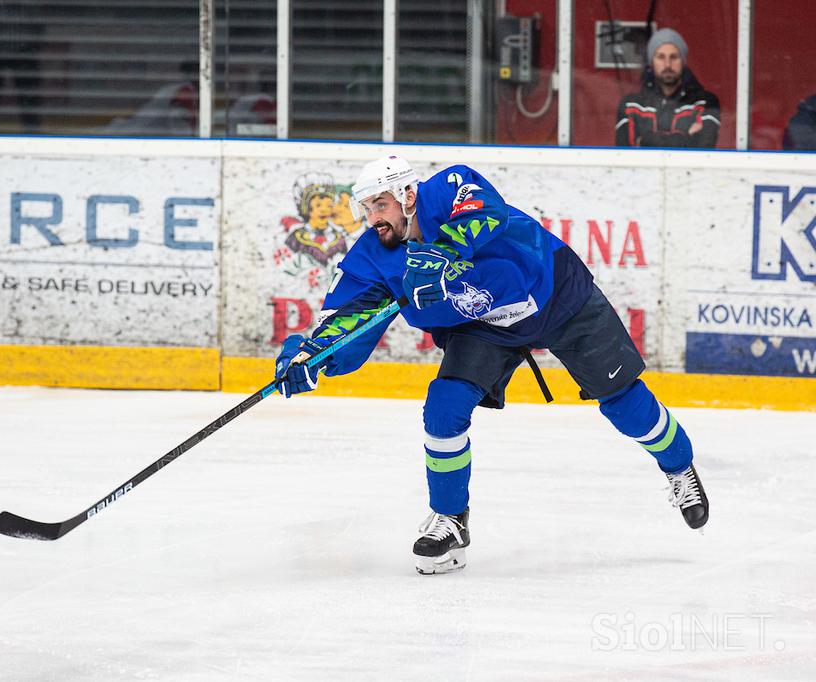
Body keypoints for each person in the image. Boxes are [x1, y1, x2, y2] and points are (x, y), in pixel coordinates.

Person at [274, 155, 709, 575]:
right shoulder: (375, 255)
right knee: (443, 408)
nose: (374, 219)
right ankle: (450, 521)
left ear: (408, 195)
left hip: (557, 295)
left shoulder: (448, 189)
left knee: (622, 401)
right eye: (367, 209)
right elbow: (350, 317)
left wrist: (442, 255)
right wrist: (313, 355)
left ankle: (678, 465)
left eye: (381, 205)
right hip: (484, 325)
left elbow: (487, 211)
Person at [615, 28, 719, 148]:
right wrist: (687, 137)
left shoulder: (705, 102)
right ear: (651, 62)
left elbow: (705, 150)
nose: (667, 64)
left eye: (674, 57)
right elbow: (624, 155)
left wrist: (643, 141)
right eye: (660, 57)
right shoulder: (630, 105)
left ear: (683, 62)